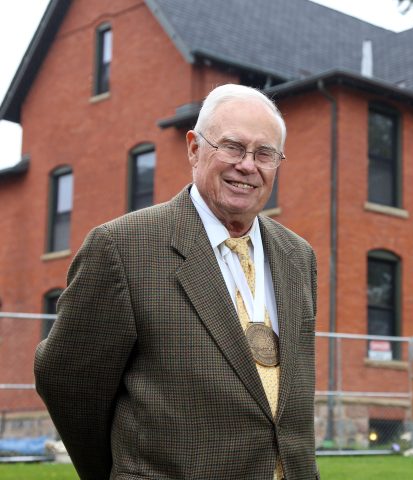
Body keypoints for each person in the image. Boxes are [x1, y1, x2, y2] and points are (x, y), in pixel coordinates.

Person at [34, 84, 319, 480]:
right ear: (193, 148)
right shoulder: (123, 247)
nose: (248, 165)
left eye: (265, 153)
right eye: (233, 146)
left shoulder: (298, 256)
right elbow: (67, 381)